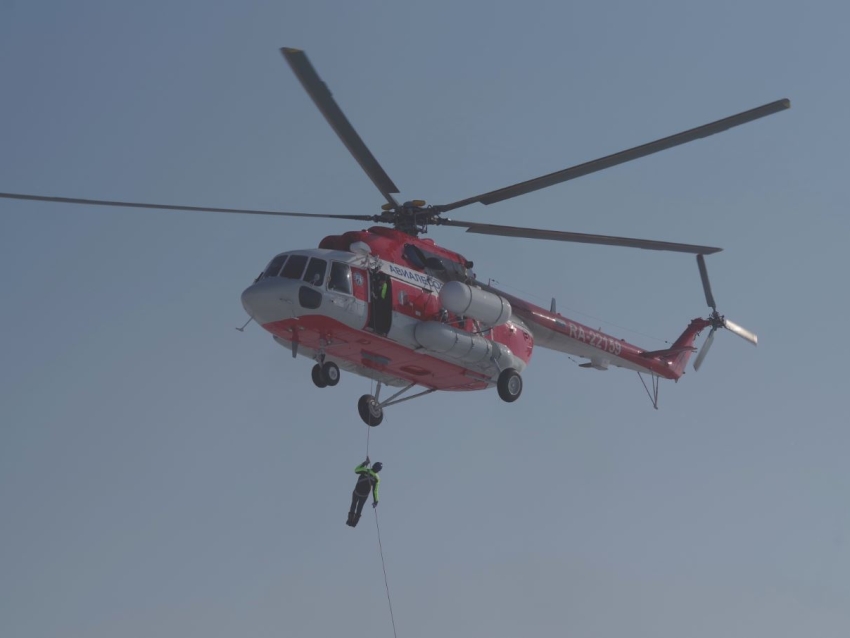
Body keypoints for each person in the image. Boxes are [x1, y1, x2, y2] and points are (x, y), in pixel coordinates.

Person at [346, 456, 381, 527]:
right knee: (359, 508)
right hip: (364, 495)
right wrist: (376, 501)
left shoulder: (365, 470)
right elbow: (375, 490)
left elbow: (356, 470)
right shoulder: (377, 478)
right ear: (378, 470)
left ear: (373, 466)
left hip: (357, 491)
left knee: (353, 504)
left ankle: (350, 521)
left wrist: (365, 463)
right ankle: (354, 523)